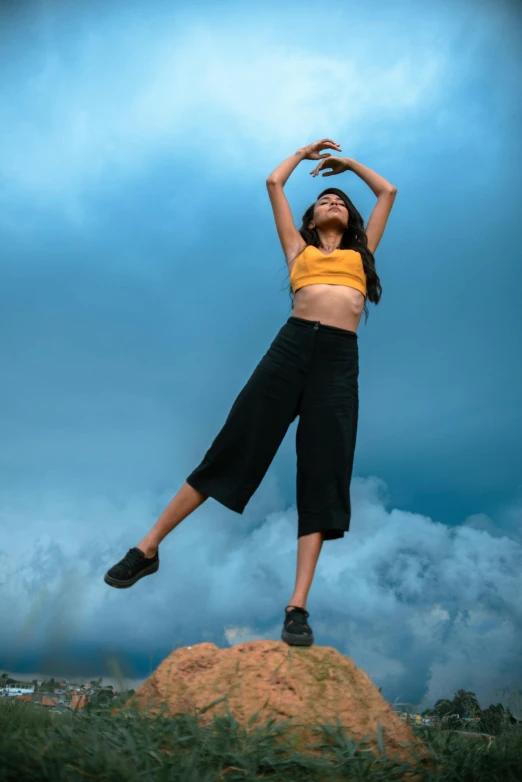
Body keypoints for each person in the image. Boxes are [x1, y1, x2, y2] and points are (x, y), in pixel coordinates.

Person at [104, 138, 397, 647]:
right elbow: (273, 182)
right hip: (290, 350)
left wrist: (348, 165)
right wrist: (306, 153)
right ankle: (147, 549)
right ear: (309, 220)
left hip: (337, 362)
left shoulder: (362, 252)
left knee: (324, 472)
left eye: (342, 201)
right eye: (326, 199)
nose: (335, 201)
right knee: (235, 445)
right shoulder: (297, 250)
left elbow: (388, 190)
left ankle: (297, 608)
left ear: (352, 220)